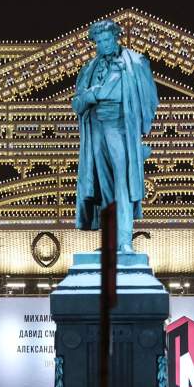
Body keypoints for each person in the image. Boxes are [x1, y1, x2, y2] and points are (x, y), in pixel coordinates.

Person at [73, 19, 159, 252]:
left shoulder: (136, 62)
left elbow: (151, 99)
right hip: (96, 129)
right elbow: (77, 104)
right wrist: (91, 95)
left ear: (116, 37)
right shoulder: (89, 69)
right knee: (105, 187)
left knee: (123, 185)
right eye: (99, 42)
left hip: (121, 127)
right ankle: (110, 242)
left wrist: (140, 132)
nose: (104, 45)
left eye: (107, 39)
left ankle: (124, 241)